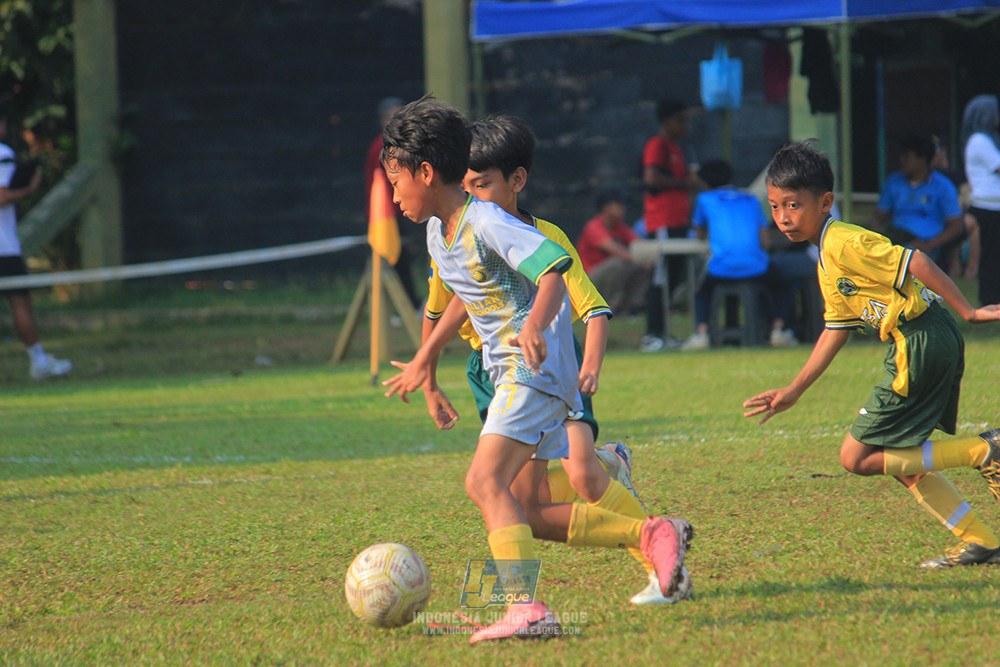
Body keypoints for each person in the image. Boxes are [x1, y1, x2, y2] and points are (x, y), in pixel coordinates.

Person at [378, 97, 692, 643]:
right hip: (509, 375)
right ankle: (651, 533)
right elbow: (460, 297)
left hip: (534, 370)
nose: (394, 193)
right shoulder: (438, 231)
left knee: (483, 480)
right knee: (531, 511)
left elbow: (553, 269)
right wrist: (426, 366)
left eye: (396, 179)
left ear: (426, 173)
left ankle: (524, 608)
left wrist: (533, 327)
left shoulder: (487, 220)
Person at [743, 141, 1000, 569]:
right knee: (898, 457)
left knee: (856, 457)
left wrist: (968, 310)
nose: (784, 218)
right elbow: (835, 328)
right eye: (775, 207)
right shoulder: (825, 253)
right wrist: (795, 389)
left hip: (918, 340)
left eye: (794, 205)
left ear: (825, 202)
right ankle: (980, 541)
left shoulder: (844, 241)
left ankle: (983, 451)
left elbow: (915, 261)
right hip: (924, 339)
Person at [680, 159, 797, 350]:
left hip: (722, 268)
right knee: (784, 284)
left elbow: (699, 233)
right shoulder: (751, 199)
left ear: (705, 182)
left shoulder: (705, 199)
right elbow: (765, 242)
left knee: (702, 290)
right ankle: (779, 329)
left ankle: (701, 333)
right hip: (756, 268)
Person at [0, 98, 71, 381]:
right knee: (20, 304)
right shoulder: (2, 153)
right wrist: (28, 188)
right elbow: (2, 196)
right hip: (3, 248)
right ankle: (38, 361)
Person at [640, 99, 704, 352]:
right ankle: (652, 334)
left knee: (673, 277)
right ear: (667, 122)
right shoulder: (657, 145)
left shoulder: (677, 148)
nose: (684, 126)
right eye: (680, 120)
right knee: (660, 277)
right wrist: (683, 184)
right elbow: (651, 178)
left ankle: (664, 334)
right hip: (663, 221)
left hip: (678, 221)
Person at [363, 96, 422, 309]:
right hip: (387, 215)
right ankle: (403, 307)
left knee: (402, 260)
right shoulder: (382, 147)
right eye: (392, 117)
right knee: (395, 261)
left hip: (398, 211)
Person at [871, 134, 964, 262]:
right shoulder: (893, 182)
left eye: (907, 157)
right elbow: (878, 217)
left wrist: (930, 245)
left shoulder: (943, 186)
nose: (901, 160)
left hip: (927, 246)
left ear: (922, 159)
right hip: (896, 240)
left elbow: (956, 226)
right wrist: (880, 239)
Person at [576, 186, 649, 316]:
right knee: (618, 263)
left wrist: (647, 258)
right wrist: (639, 259)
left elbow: (638, 243)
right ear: (606, 207)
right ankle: (610, 308)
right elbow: (615, 250)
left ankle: (634, 306)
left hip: (608, 278)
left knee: (640, 267)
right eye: (619, 205)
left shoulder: (618, 226)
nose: (623, 209)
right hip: (588, 282)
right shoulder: (594, 226)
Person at [961, 95, 1000, 305]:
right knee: (991, 259)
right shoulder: (980, 140)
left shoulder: (987, 140)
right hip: (988, 206)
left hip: (994, 205)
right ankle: (990, 301)